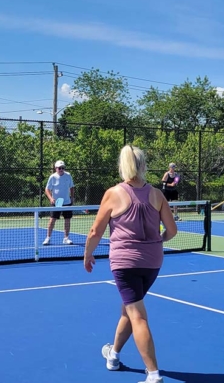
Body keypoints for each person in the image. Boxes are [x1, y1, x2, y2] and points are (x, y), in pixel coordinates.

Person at [84, 145, 177, 383]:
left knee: (138, 316)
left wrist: (88, 254)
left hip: (126, 263)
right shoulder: (157, 194)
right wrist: (156, 242)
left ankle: (154, 375)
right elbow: (172, 231)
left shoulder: (114, 193)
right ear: (143, 165)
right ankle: (113, 356)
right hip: (153, 262)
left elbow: (96, 230)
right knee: (129, 308)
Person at [43, 160, 75, 245]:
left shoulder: (68, 176)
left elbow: (72, 187)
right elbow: (47, 189)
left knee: (67, 220)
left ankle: (66, 238)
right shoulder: (52, 177)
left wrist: (72, 197)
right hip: (58, 202)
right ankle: (48, 238)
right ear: (56, 168)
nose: (61, 170)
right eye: (59, 168)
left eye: (63, 168)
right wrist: (50, 198)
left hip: (67, 201)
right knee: (52, 220)